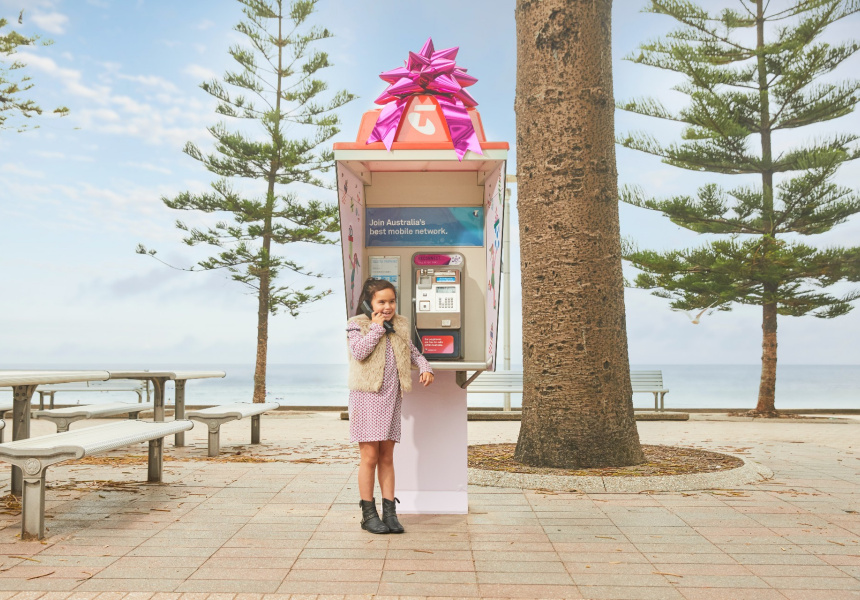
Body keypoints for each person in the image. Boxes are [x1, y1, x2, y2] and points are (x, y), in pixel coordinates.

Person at [347, 278, 434, 534]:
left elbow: (412, 352)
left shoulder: (400, 324)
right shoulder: (357, 325)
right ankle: (368, 514)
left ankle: (390, 513)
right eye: (381, 301)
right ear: (368, 303)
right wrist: (376, 328)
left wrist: (426, 367)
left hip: (391, 397)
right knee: (369, 457)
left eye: (391, 301)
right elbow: (359, 353)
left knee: (387, 457)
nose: (388, 307)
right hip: (366, 397)